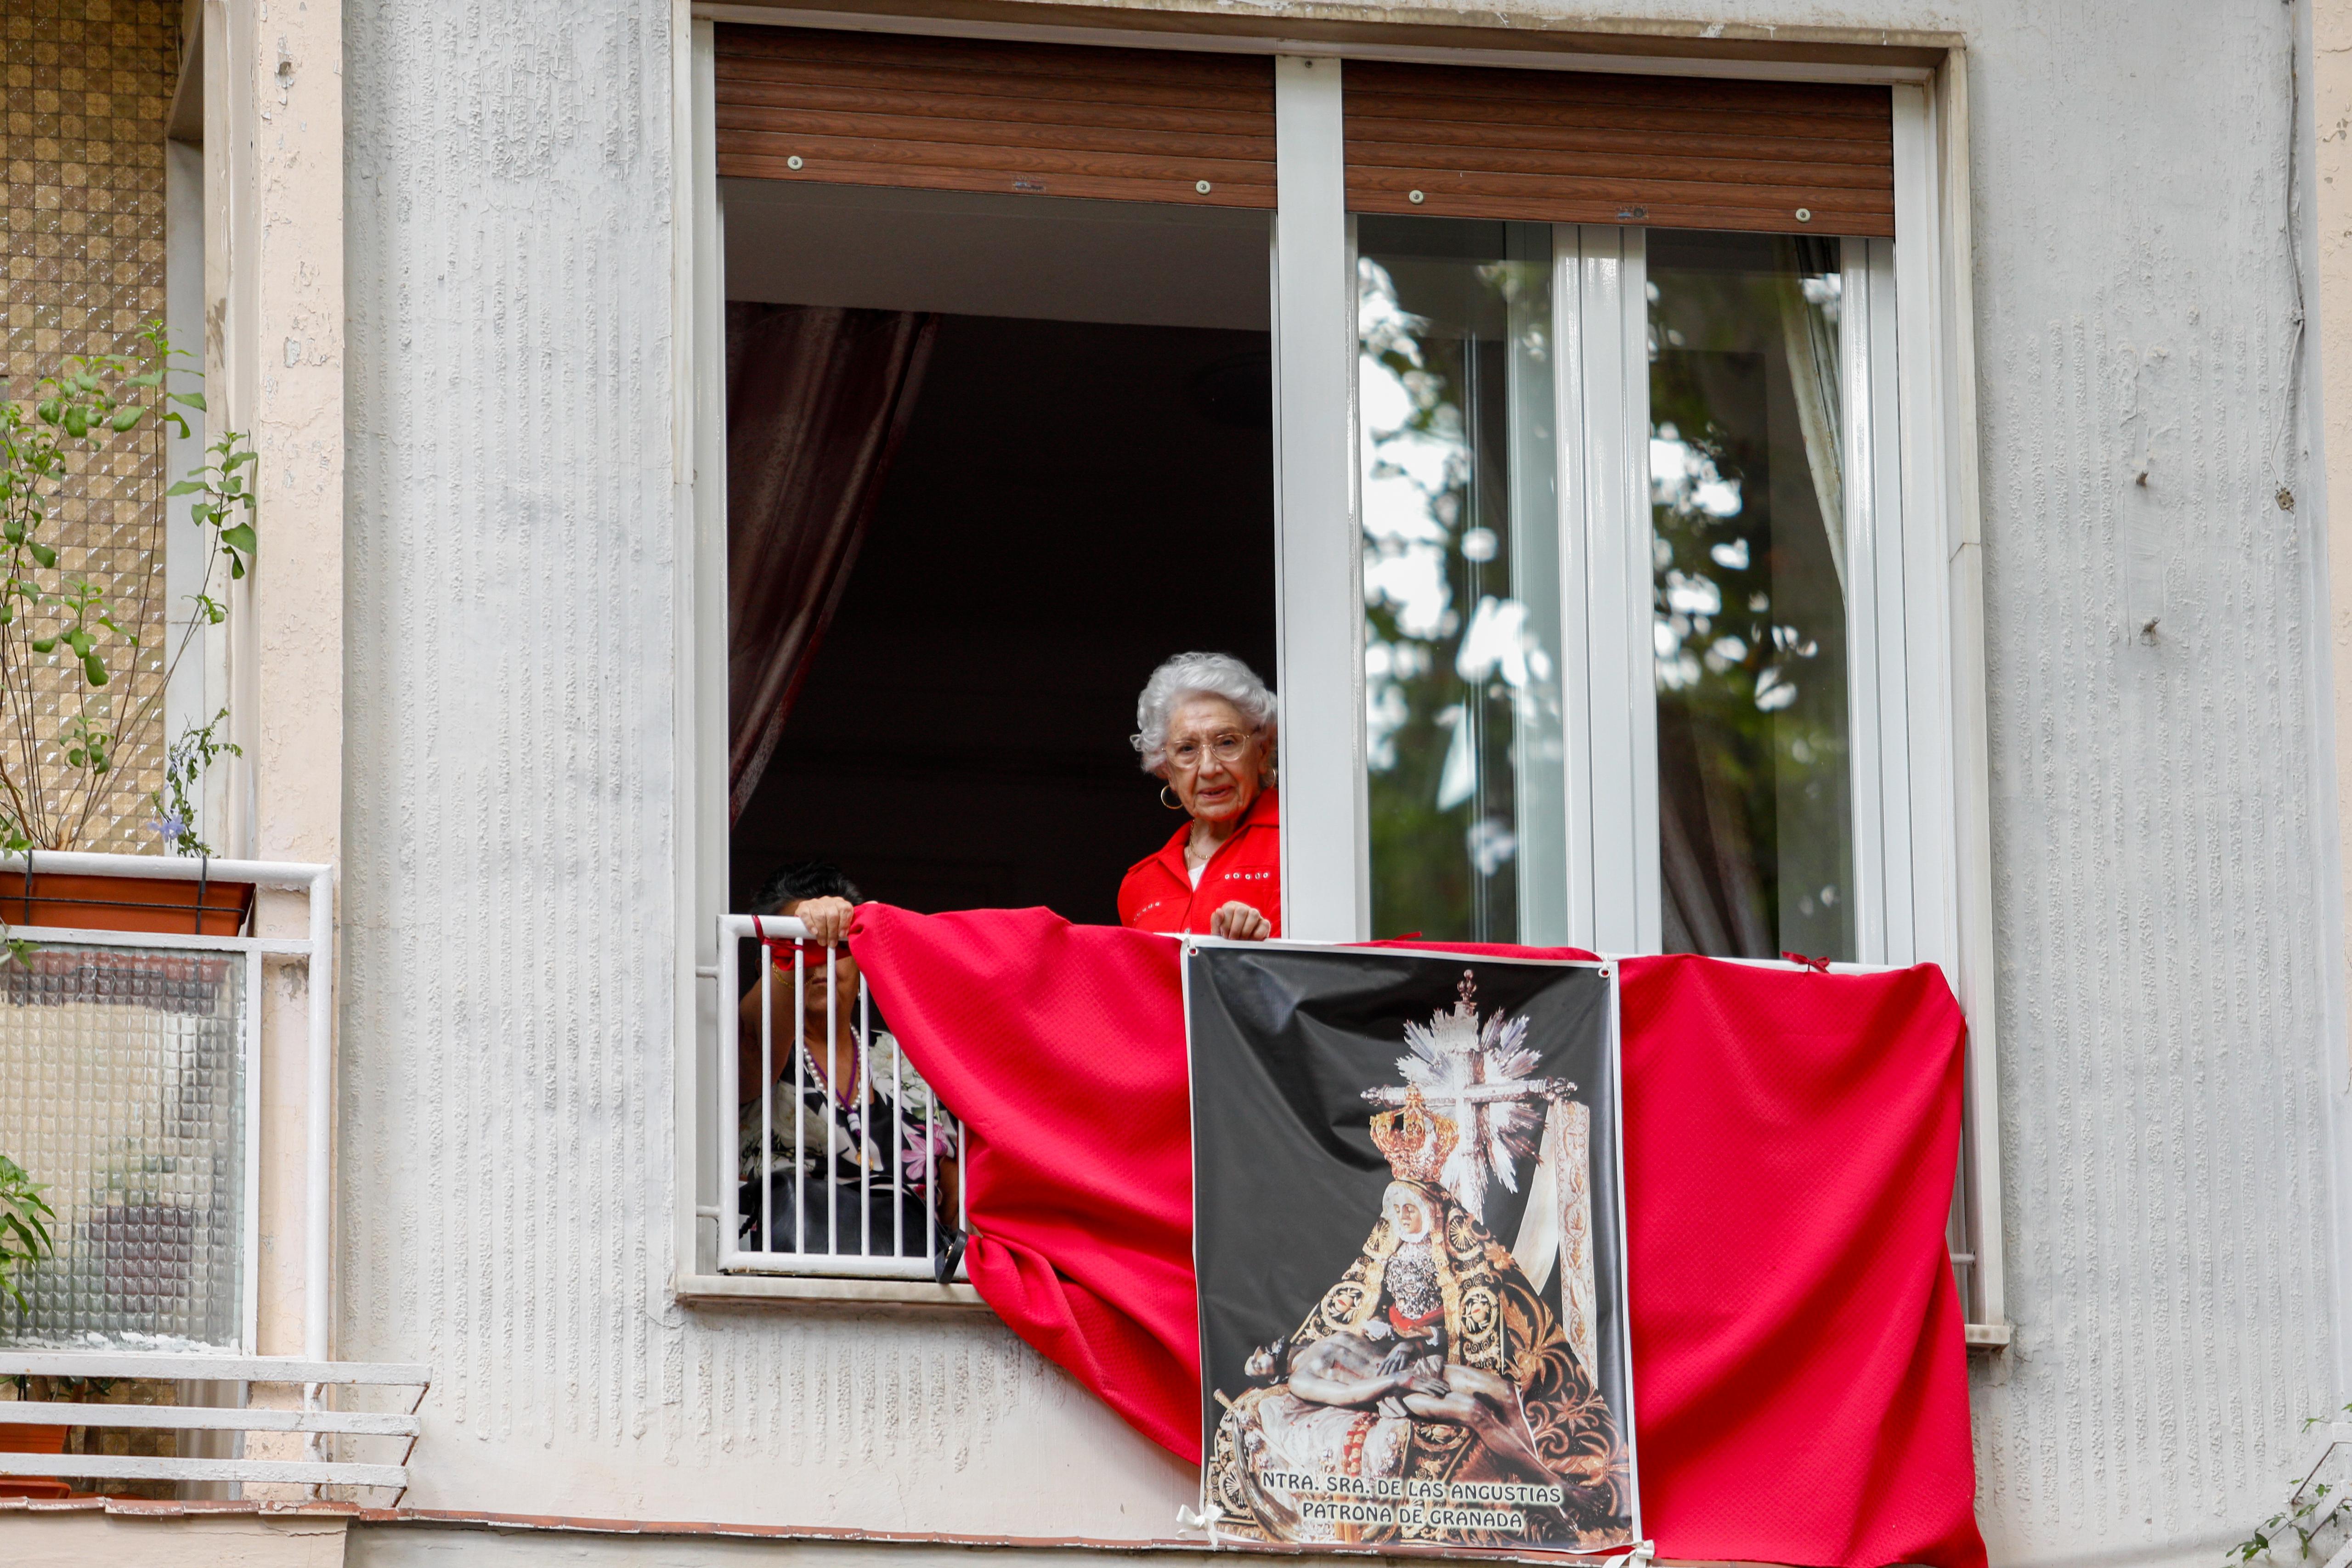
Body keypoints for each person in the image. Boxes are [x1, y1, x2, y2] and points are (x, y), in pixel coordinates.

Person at [735, 862, 959, 1260]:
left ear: (860, 964)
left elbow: (959, 1203)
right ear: (764, 970)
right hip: (788, 1290)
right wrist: (794, 949)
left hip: (917, 1294)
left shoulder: (912, 1059)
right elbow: (755, 1039)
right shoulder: (752, 1050)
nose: (819, 960)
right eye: (803, 945)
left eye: (834, 947)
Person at [1118, 652, 1280, 940]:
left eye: (1227, 742)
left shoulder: (1300, 846)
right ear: (1166, 769)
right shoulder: (1140, 884)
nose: (1209, 768)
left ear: (1263, 752)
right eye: (1187, 749)